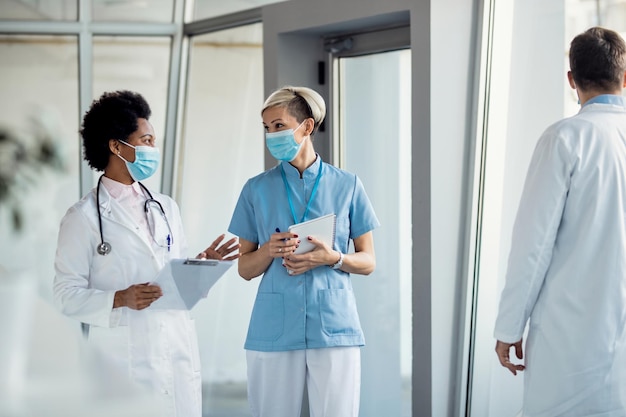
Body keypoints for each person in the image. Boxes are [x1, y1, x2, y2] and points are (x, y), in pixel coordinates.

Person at [53, 90, 240, 417]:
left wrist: (201, 264)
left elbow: (174, 284)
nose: (154, 149)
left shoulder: (165, 207)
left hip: (175, 344)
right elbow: (65, 295)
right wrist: (119, 298)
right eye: (147, 140)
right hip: (124, 356)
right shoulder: (82, 218)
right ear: (116, 146)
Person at [494, 27, 626, 416]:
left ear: (571, 79)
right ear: (625, 75)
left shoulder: (565, 139)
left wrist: (508, 329)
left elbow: (532, 246)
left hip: (571, 345)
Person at [228, 86, 379, 417]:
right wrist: (269, 250)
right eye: (267, 128)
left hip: (334, 327)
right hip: (274, 328)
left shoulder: (348, 185)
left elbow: (368, 261)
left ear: (306, 127)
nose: (271, 135)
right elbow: (245, 269)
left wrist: (333, 258)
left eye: (279, 125)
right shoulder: (255, 189)